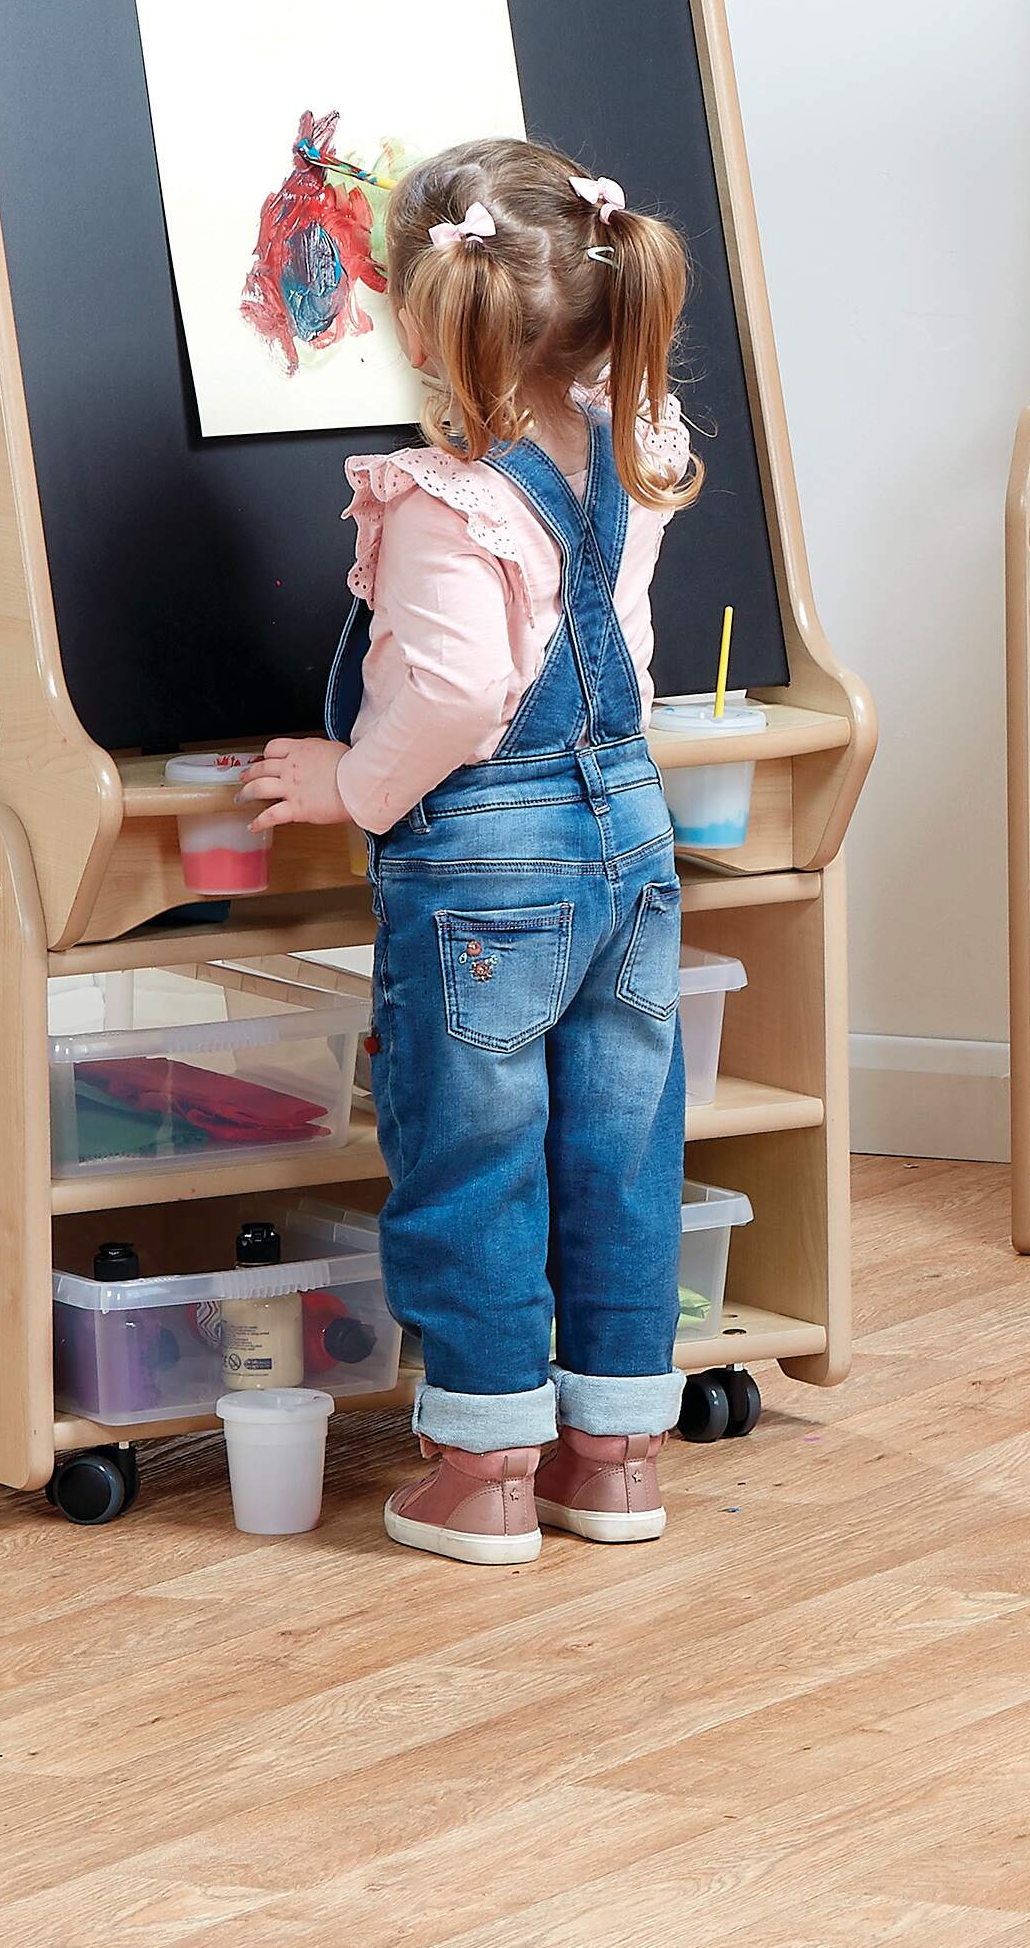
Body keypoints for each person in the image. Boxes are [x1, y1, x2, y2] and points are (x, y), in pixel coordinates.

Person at [234, 141, 699, 1565]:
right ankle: (608, 1454)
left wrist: (349, 783)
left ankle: (485, 1467)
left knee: (474, 1158)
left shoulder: (445, 496)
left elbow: (453, 692)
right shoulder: (635, 436)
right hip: (625, 828)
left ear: (428, 317)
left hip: (487, 855)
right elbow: (606, 637)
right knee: (620, 1149)